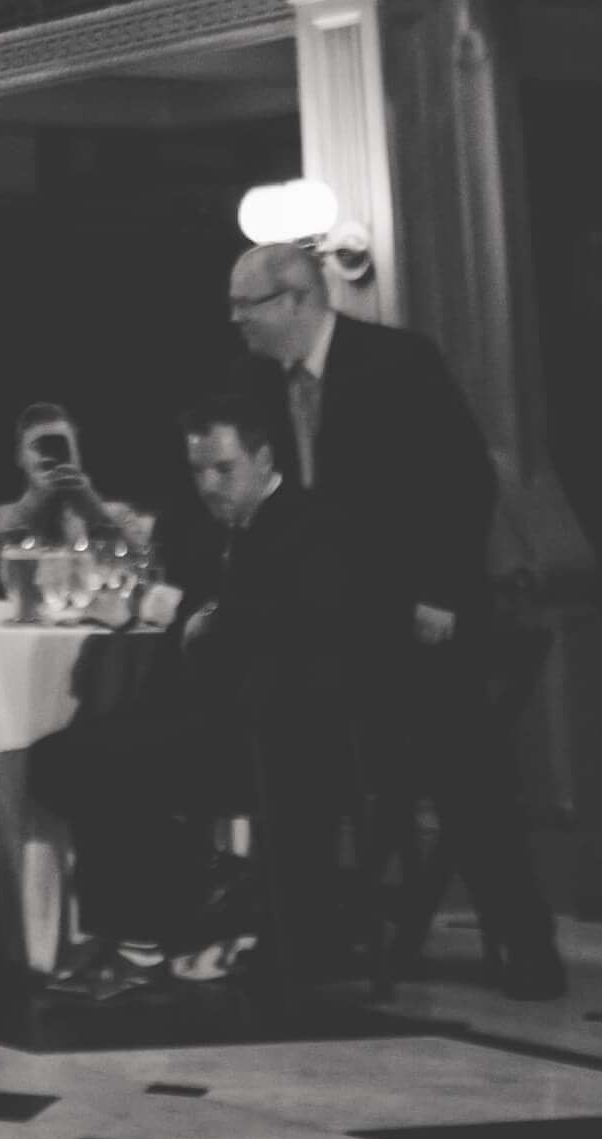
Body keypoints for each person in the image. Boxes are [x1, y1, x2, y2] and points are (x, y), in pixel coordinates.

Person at [227, 238, 562, 996]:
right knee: (280, 733)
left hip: (417, 611)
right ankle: (304, 943)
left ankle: (526, 941)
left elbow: (462, 479)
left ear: (299, 300)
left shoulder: (398, 361)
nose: (236, 321)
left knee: (463, 765)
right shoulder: (250, 382)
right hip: (321, 625)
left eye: (247, 306)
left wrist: (441, 592)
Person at [41, 368, 366, 993]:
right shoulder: (203, 531)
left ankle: (138, 942)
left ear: (263, 456)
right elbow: (186, 611)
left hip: (275, 732)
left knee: (101, 764)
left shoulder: (305, 524)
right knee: (60, 758)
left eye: (223, 469)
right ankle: (208, 881)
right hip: (201, 712)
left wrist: (211, 619)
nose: (209, 486)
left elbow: (291, 628)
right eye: (198, 472)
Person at [0, 404, 151, 556]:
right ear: (19, 457)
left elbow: (144, 565)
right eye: (39, 447)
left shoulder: (118, 515)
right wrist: (30, 509)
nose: (49, 456)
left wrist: (96, 515)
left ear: (77, 454)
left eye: (60, 446)